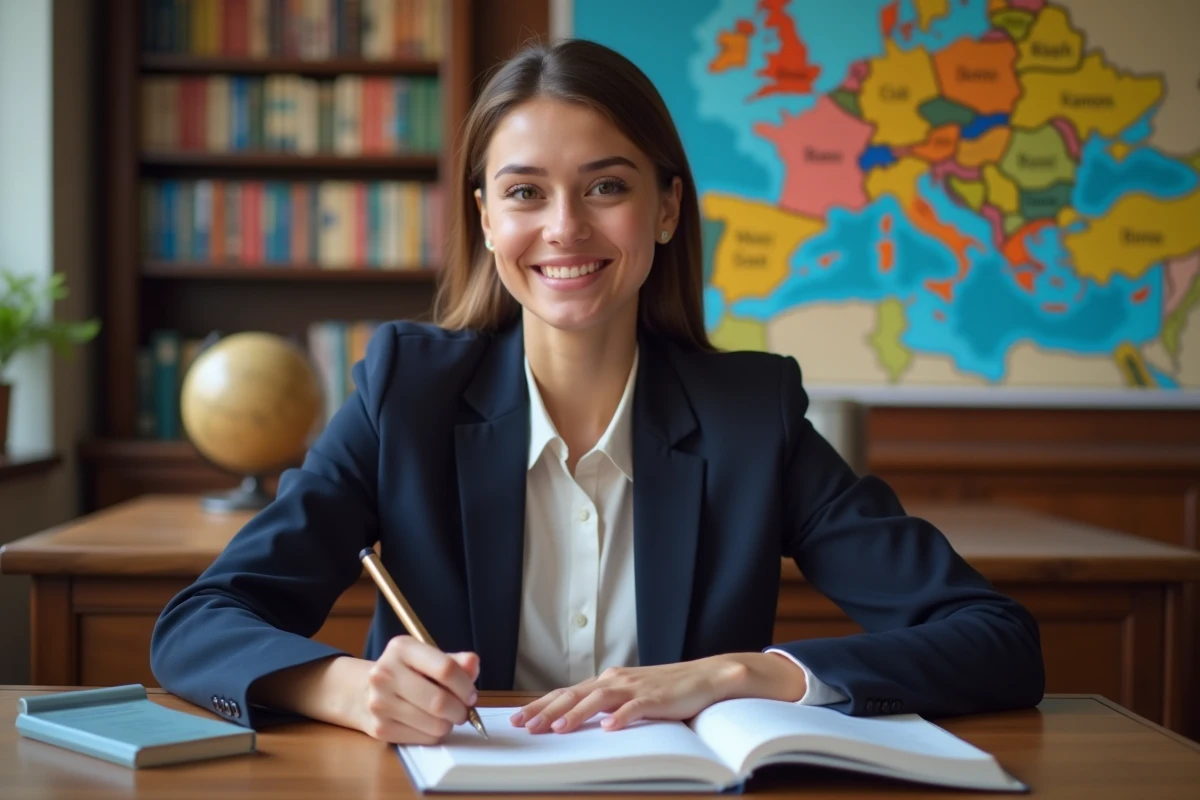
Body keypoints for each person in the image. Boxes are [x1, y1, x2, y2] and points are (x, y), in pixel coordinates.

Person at [150, 39, 1045, 745]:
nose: (564, 228)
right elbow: (198, 625)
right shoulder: (405, 393)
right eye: (525, 192)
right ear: (488, 220)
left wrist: (743, 674)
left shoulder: (749, 415)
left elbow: (995, 641)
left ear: (664, 209)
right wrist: (349, 687)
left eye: (606, 187)